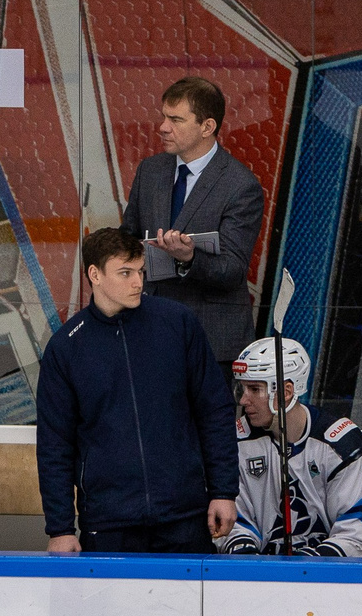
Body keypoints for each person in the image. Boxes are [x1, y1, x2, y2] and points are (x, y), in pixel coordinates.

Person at [35, 228, 238, 554]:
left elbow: (214, 410)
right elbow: (54, 445)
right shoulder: (66, 348)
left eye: (140, 271)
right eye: (125, 273)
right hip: (109, 523)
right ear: (94, 275)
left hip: (184, 516)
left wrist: (224, 491)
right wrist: (60, 527)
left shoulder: (177, 323)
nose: (138, 282)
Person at [118, 77, 265, 366]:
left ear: (207, 127)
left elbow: (233, 270)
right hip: (149, 330)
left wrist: (189, 258)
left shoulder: (240, 186)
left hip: (208, 340)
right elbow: (129, 234)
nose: (162, 127)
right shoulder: (150, 170)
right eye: (163, 117)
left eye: (175, 119)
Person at [220, 335, 362, 558]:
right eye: (242, 389)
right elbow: (231, 520)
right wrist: (250, 563)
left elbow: (358, 532)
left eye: (255, 389)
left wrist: (305, 569)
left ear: (286, 393)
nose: (243, 400)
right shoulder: (236, 441)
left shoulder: (342, 443)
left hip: (339, 581)